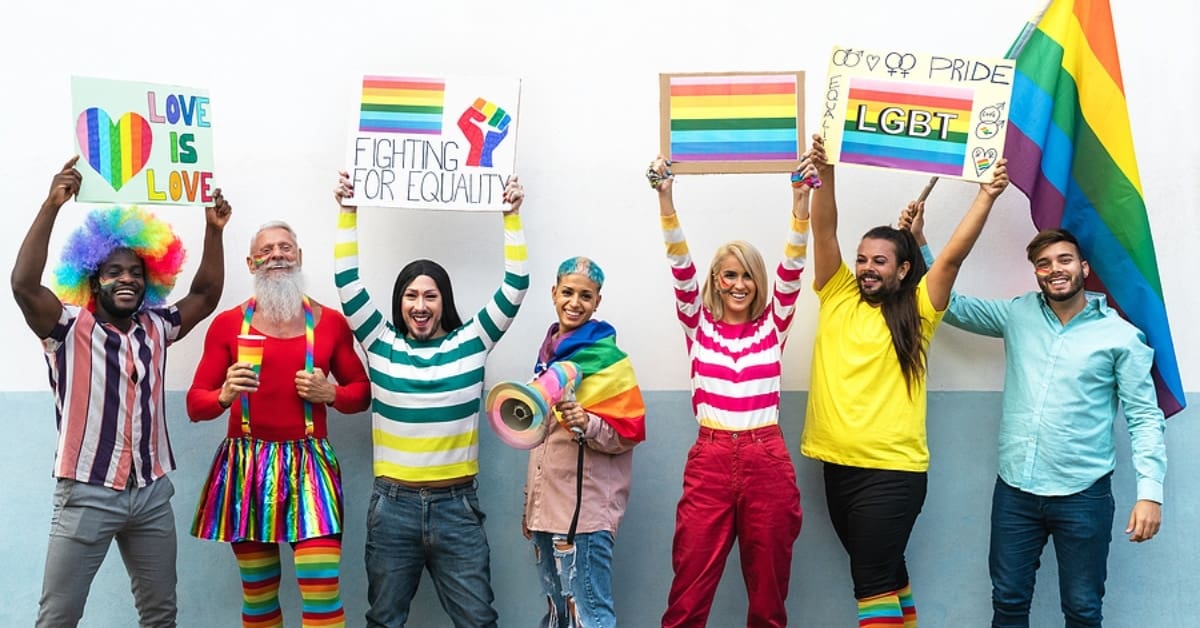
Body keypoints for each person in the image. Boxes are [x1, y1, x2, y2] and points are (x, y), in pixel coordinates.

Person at [900, 206, 1166, 628]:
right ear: (1036, 273)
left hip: (1084, 496)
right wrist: (920, 243)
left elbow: (1145, 418)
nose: (1054, 269)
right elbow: (948, 304)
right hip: (1016, 494)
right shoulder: (1018, 315)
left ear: (1083, 266)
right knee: (1007, 602)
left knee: (1082, 609)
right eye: (1043, 263)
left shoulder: (1121, 337)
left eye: (1064, 260)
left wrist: (1150, 492)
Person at [11, 156, 231, 627]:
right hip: (86, 493)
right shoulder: (67, 329)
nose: (126, 278)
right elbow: (24, 285)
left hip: (151, 493)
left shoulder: (157, 326)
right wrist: (51, 205)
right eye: (113, 271)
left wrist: (213, 230)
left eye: (135, 271)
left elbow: (207, 294)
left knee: (160, 616)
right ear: (93, 280)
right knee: (58, 618)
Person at [800, 133, 1008, 628]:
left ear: (904, 269)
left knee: (870, 584)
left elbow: (952, 258)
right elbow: (823, 230)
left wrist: (986, 195)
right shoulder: (837, 293)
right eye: (864, 258)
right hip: (837, 466)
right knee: (889, 575)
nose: (867, 268)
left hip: (891, 475)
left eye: (880, 261)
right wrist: (826, 171)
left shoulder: (919, 309)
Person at [332, 171, 528, 628]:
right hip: (392, 506)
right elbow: (346, 278)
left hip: (456, 508)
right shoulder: (379, 342)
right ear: (399, 301)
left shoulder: (474, 341)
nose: (420, 306)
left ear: (444, 300)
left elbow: (516, 283)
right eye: (411, 296)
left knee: (479, 621)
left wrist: (511, 216)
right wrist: (348, 210)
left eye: (431, 295)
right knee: (384, 621)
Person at [648, 154, 811, 628]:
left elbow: (794, 266)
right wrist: (666, 198)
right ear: (716, 282)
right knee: (688, 593)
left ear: (757, 281)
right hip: (711, 459)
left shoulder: (773, 324)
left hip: (767, 458)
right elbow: (679, 264)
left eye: (747, 275)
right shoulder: (697, 325)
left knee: (768, 595)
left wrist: (800, 203)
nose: (739, 284)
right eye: (729, 275)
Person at [186, 220, 372, 627]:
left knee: (322, 591)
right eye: (267, 249)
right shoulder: (227, 325)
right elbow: (195, 405)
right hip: (246, 469)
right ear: (252, 263)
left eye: (286, 247)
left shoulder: (330, 324)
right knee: (259, 595)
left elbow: (362, 393)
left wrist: (332, 395)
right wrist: (224, 394)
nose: (277, 255)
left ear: (300, 257)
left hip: (311, 467)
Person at [521, 256, 647, 628]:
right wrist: (530, 503)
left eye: (585, 296)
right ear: (554, 293)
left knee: (590, 614)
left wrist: (588, 423)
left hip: (584, 517)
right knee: (559, 613)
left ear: (597, 302)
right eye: (568, 292)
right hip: (547, 512)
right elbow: (541, 439)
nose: (575, 302)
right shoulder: (546, 358)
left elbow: (628, 432)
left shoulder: (610, 361)